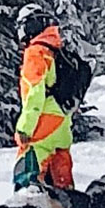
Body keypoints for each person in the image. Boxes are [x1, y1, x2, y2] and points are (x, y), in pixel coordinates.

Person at [12, 17, 87, 192]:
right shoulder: (57, 51)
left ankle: (27, 206)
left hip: (43, 121)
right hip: (62, 121)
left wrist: (25, 127)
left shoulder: (36, 52)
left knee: (29, 167)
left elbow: (34, 92)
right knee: (60, 167)